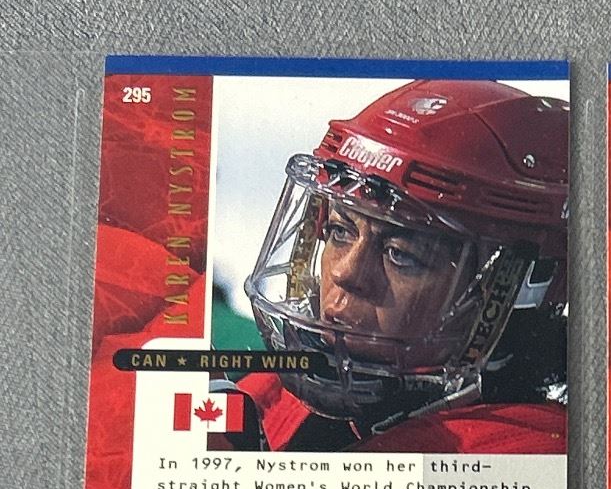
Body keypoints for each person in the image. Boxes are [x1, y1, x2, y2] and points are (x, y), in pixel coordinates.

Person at [235, 79, 569, 453]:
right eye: (340, 232)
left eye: (401, 254)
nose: (346, 273)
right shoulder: (279, 393)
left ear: (523, 284)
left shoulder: (524, 453)